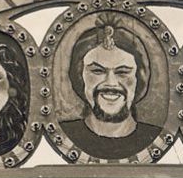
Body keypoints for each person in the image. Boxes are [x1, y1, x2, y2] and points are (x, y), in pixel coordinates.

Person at [59, 14, 159, 158]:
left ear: (140, 79)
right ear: (79, 76)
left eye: (122, 72)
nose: (111, 83)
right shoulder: (65, 135)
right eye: (97, 71)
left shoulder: (154, 137)